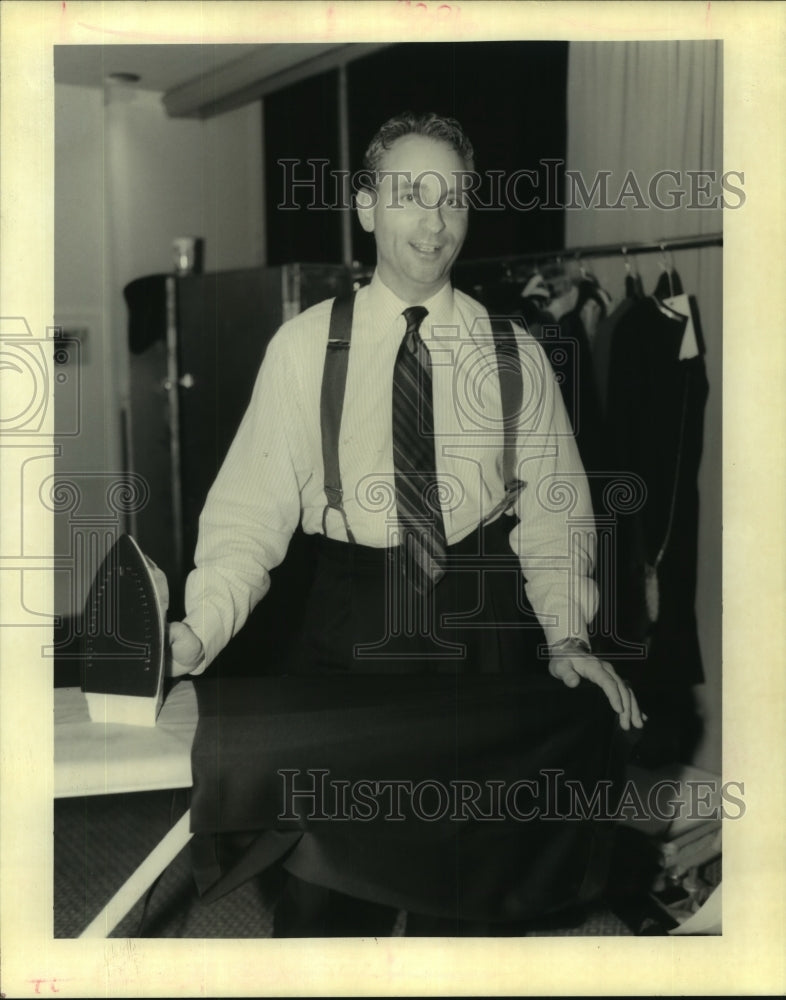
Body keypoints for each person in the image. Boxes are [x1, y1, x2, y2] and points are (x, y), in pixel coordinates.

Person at [168, 111, 645, 936]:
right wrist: (196, 632)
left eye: (453, 197)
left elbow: (557, 515)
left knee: (470, 897)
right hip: (350, 627)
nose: (434, 220)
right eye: (410, 194)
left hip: (481, 629)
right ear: (364, 208)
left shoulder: (519, 353)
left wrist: (569, 636)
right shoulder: (302, 347)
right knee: (323, 897)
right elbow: (249, 515)